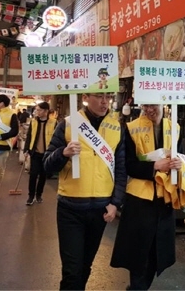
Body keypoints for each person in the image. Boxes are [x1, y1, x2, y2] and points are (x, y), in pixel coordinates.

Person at [43, 92, 126, 290]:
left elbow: (121, 170)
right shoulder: (68, 124)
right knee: (71, 270)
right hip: (70, 209)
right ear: (87, 97)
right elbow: (47, 165)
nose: (105, 101)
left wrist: (115, 203)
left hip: (100, 210)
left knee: (85, 266)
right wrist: (62, 153)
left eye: (109, 96)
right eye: (99, 96)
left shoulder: (117, 127)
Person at [110, 104, 185, 290]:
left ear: (163, 104)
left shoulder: (175, 128)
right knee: (138, 255)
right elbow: (129, 165)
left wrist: (178, 163)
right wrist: (154, 167)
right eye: (146, 105)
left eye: (154, 105)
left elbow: (182, 157)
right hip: (139, 202)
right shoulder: (131, 128)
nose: (150, 109)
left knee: (155, 255)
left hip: (164, 201)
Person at [23, 102, 56, 205]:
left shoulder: (54, 123)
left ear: (46, 111)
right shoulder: (33, 122)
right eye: (36, 110)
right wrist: (26, 149)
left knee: (43, 175)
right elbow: (29, 136)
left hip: (47, 154)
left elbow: (56, 138)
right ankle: (30, 196)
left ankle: (39, 195)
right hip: (35, 153)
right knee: (33, 175)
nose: (37, 112)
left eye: (39, 110)